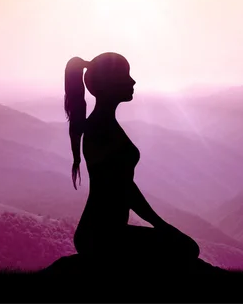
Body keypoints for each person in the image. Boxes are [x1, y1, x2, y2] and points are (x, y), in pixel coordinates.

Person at [64, 52, 200, 263]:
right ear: (108, 84)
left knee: (186, 247)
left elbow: (124, 185)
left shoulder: (102, 125)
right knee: (186, 248)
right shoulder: (101, 128)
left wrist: (160, 225)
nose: (132, 81)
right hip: (101, 236)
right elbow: (124, 189)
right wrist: (162, 225)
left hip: (103, 232)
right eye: (124, 76)